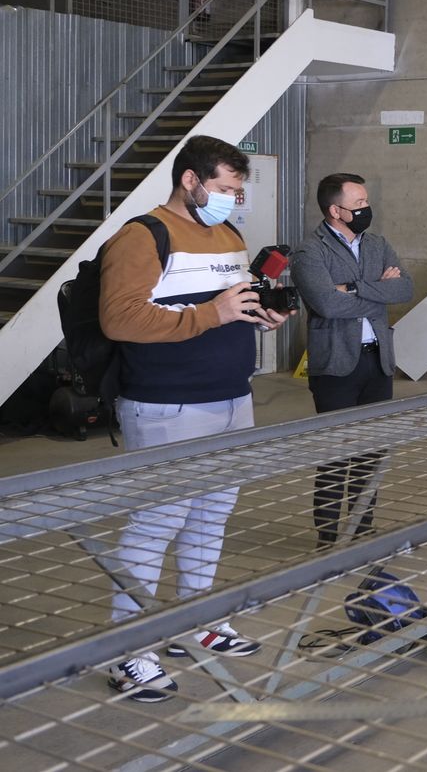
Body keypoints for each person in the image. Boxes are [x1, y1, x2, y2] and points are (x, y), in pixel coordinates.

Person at [98, 136, 290, 702]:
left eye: (237, 191)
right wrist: (212, 314)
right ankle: (126, 653)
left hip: (231, 394)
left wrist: (257, 314)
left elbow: (228, 301)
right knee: (158, 521)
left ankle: (195, 620)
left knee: (212, 511)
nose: (233, 200)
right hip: (167, 402)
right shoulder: (142, 236)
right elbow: (119, 319)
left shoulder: (229, 235)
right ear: (191, 180)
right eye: (226, 189)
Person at [291, 172, 413, 548]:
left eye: (365, 202)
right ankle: (327, 537)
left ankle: (362, 527)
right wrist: (379, 290)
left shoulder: (377, 244)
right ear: (335, 210)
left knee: (372, 449)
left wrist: (355, 288)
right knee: (336, 452)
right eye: (358, 204)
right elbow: (326, 303)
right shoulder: (310, 252)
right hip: (336, 365)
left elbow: (404, 288)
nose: (366, 209)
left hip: (377, 360)